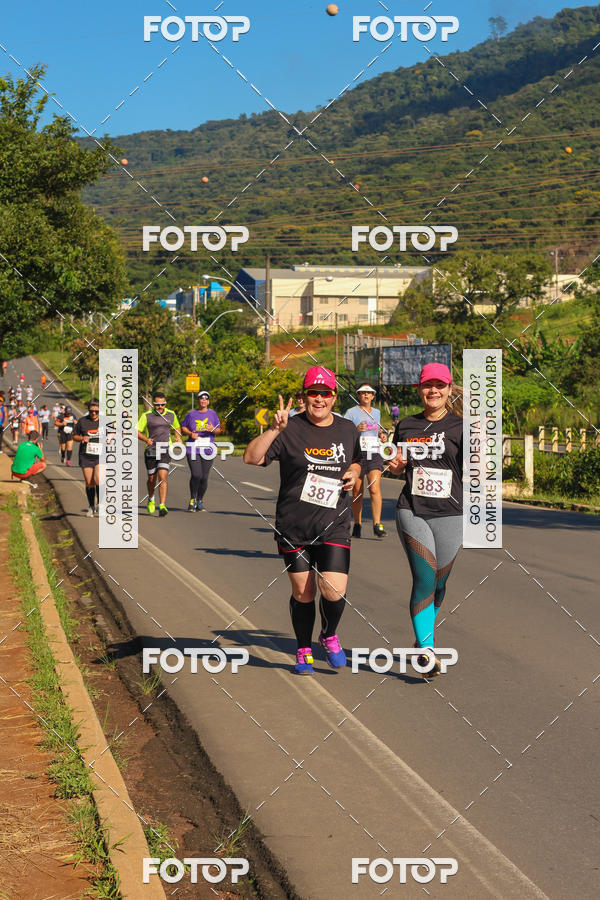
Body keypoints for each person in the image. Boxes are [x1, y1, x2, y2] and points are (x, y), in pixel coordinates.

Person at [244, 366, 361, 675]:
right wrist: (274, 430)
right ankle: (303, 649)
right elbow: (251, 458)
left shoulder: (348, 429)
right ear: (304, 396)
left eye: (325, 393)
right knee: (303, 593)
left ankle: (329, 634)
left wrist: (356, 470)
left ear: (334, 397)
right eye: (313, 393)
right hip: (294, 526)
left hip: (334, 521)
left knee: (333, 591)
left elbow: (360, 458)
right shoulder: (289, 428)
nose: (319, 399)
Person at [387, 363, 463, 677]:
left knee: (439, 584)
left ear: (448, 389)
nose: (433, 391)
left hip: (451, 513)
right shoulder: (406, 425)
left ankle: (423, 636)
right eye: (427, 385)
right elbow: (396, 467)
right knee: (424, 578)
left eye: (439, 385)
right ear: (420, 389)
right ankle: (427, 652)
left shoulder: (462, 427)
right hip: (412, 509)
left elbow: (478, 473)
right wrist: (395, 463)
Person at [344, 384, 388, 539]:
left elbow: (378, 429)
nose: (366, 396)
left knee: (374, 488)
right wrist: (356, 429)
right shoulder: (351, 412)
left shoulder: (377, 412)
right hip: (358, 454)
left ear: (373, 396)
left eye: (369, 393)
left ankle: (377, 524)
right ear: (358, 395)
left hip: (374, 452)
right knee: (357, 491)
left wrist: (382, 435)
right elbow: (344, 431)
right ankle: (357, 523)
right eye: (363, 393)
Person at [137, 391, 181, 517]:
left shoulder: (171, 414)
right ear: (153, 404)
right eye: (157, 405)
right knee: (152, 479)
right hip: (151, 450)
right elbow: (137, 431)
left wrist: (178, 437)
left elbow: (177, 427)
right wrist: (146, 440)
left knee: (163, 477)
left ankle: (162, 505)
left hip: (165, 449)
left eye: (162, 404)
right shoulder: (147, 415)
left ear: (165, 403)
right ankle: (151, 499)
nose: (160, 407)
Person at [181, 390, 221, 512]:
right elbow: (183, 427)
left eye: (206, 399)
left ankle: (200, 500)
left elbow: (219, 431)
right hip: (193, 448)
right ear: (198, 400)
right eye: (201, 398)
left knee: (204, 477)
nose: (203, 401)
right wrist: (190, 433)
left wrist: (212, 429)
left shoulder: (213, 414)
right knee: (196, 474)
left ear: (208, 401)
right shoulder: (192, 414)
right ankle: (192, 499)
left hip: (208, 449)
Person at [74, 399, 101, 517]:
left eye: (96, 411)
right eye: (91, 411)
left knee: (99, 479)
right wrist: (82, 439)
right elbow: (74, 436)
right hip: (86, 455)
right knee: (89, 482)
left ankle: (101, 504)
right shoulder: (82, 421)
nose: (94, 414)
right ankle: (91, 506)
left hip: (101, 455)